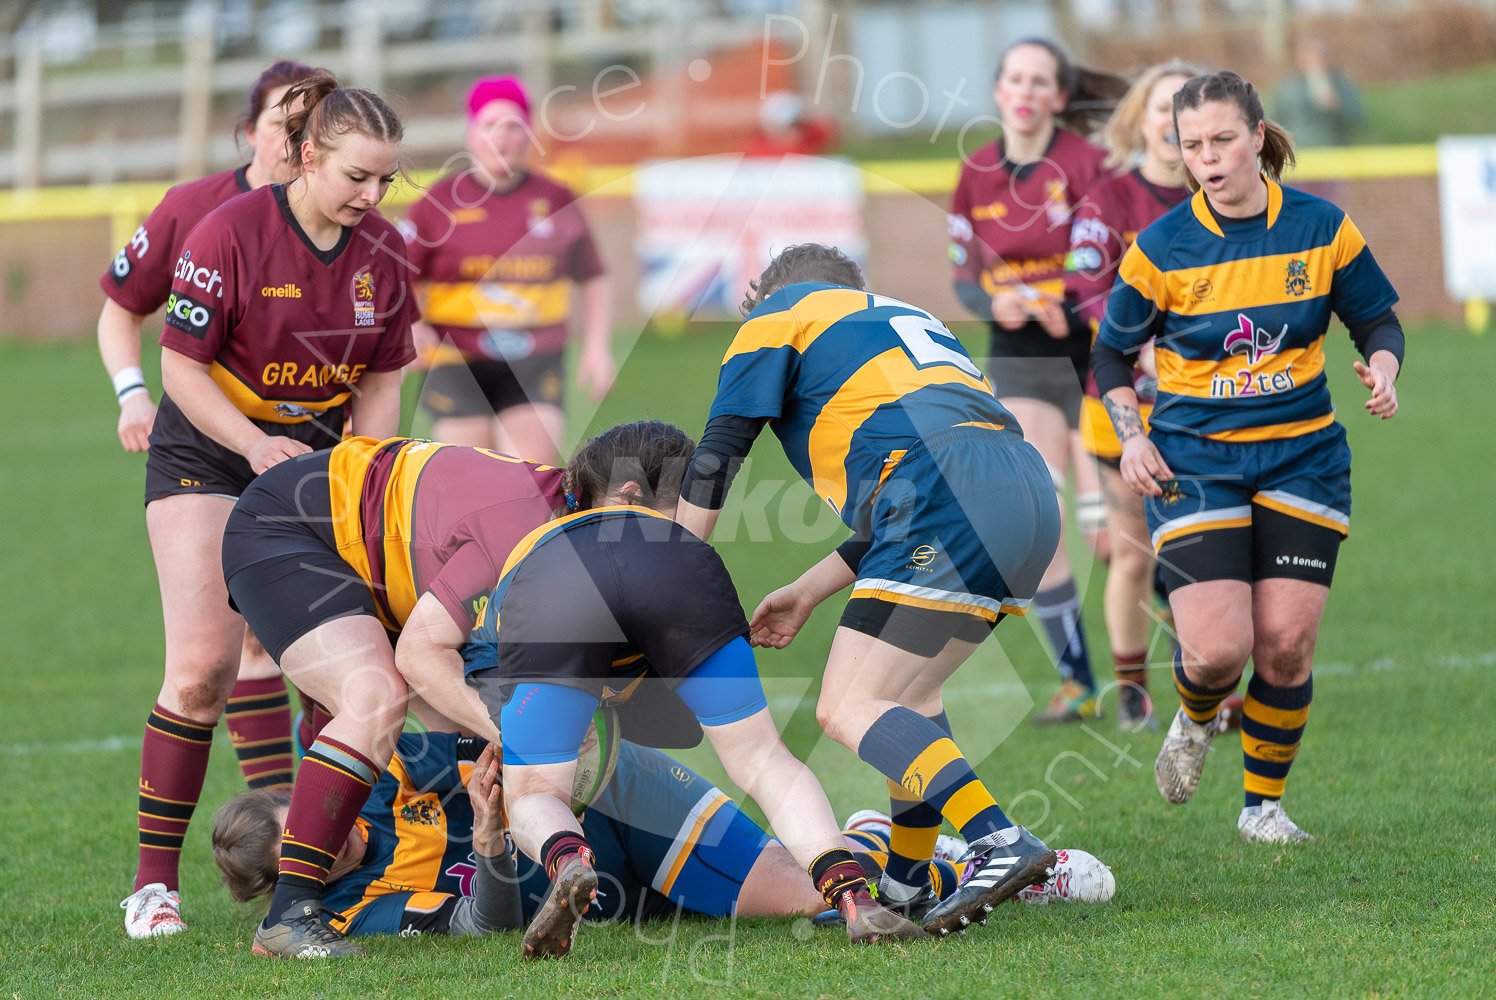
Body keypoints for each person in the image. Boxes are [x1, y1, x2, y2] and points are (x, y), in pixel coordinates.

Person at [422, 420, 923, 957]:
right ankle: (851, 896)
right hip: (683, 572)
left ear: (617, 490)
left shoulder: (537, 541)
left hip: (553, 577)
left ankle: (568, 859)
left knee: (537, 792)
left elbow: (487, 661)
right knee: (764, 759)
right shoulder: (681, 538)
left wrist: (533, 727)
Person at [676, 245, 1061, 935]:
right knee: (908, 697)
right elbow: (920, 479)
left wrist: (669, 565)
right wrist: (807, 589)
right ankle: (908, 885)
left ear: (764, 293)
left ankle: (998, 841)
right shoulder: (897, 318)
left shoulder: (778, 315)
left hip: (942, 489)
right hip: (1023, 488)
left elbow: (718, 451)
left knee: (848, 705)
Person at [118, 70, 416, 941]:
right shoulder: (229, 231)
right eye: (356, 176)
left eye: (385, 179)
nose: (372, 195)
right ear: (307, 154)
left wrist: (366, 476)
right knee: (205, 667)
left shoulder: (384, 252)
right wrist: (251, 447)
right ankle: (152, 887)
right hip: (206, 455)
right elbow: (180, 366)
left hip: (314, 470)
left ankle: (317, 865)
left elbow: (385, 378)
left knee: (346, 667)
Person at [1092, 71, 1403, 844]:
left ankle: (1262, 809)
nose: (1208, 158)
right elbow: (1108, 357)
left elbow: (1378, 322)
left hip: (1304, 458)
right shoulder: (1160, 249)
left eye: (1223, 140)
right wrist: (1132, 436)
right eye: (1191, 145)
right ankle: (1195, 718)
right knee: (1219, 650)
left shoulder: (1323, 227)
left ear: (1257, 137)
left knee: (1287, 644)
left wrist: (1385, 367)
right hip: (1195, 462)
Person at [220, 434, 565, 957]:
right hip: (294, 531)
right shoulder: (543, 518)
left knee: (435, 705)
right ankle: (287, 912)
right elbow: (484, 924)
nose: (335, 842)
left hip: (344, 534)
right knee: (378, 696)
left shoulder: (546, 521)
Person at [99, 60, 318, 829]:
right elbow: (120, 309)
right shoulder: (195, 208)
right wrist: (134, 393)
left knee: (294, 648)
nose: (294, 141)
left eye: (309, 126)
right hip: (206, 455)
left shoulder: (340, 221)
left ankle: (299, 823)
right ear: (249, 129)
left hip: (304, 453)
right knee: (222, 653)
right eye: (280, 124)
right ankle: (268, 819)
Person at [212, 732, 966, 935]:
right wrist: (488, 840)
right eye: (302, 857)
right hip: (606, 899)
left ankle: (974, 871)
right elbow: (484, 925)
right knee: (791, 893)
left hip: (615, 803)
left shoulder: (377, 780)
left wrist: (514, 773)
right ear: (288, 883)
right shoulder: (349, 911)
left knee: (814, 902)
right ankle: (875, 837)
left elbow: (493, 741)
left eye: (307, 824)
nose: (328, 839)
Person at [949, 38, 1125, 723]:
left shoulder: (1090, 165)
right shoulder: (975, 171)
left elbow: (1124, 256)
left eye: (1039, 80)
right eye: (1014, 78)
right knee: (1034, 516)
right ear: (999, 92)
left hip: (1099, 350)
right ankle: (1078, 679)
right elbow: (964, 276)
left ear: (1058, 96)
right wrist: (993, 303)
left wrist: (1076, 304)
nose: (1024, 90)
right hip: (1018, 355)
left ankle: (1200, 658)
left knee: (1119, 524)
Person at [1066, 61, 1199, 728]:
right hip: (1121, 404)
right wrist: (1141, 339)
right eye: (1163, 106)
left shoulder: (1228, 197)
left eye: (1189, 106)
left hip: (1211, 403)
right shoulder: (1109, 200)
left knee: (1207, 546)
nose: (1175, 120)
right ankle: (1131, 691)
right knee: (1131, 551)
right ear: (1140, 118)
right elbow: (1089, 293)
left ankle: (1213, 687)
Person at [402, 75, 615, 463]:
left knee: (530, 482)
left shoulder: (555, 199)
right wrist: (413, 328)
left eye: (513, 126)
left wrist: (597, 347)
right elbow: (401, 278)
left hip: (535, 362)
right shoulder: (436, 204)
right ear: (471, 134)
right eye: (489, 126)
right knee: (469, 485)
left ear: (529, 134)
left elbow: (593, 276)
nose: (501, 138)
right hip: (456, 364)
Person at [1272, 38, 1365, 150]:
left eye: (1320, 57)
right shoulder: (1287, 88)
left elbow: (1358, 120)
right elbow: (1274, 122)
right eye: (1310, 56)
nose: (1315, 62)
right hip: (1299, 154)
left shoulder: (1341, 85)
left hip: (1333, 152)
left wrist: (1336, 106)